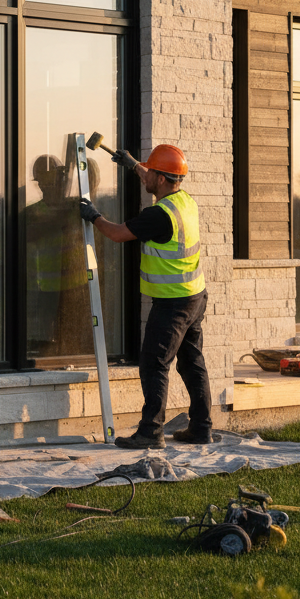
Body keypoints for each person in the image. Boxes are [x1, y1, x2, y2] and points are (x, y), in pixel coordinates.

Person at [79, 143, 215, 449]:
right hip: (194, 296)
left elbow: (116, 233)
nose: (146, 175)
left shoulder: (159, 215)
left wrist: (93, 215)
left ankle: (151, 432)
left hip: (173, 303)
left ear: (163, 179)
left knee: (154, 364)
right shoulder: (184, 200)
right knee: (192, 362)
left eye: (151, 172)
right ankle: (202, 428)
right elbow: (152, 176)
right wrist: (131, 164)